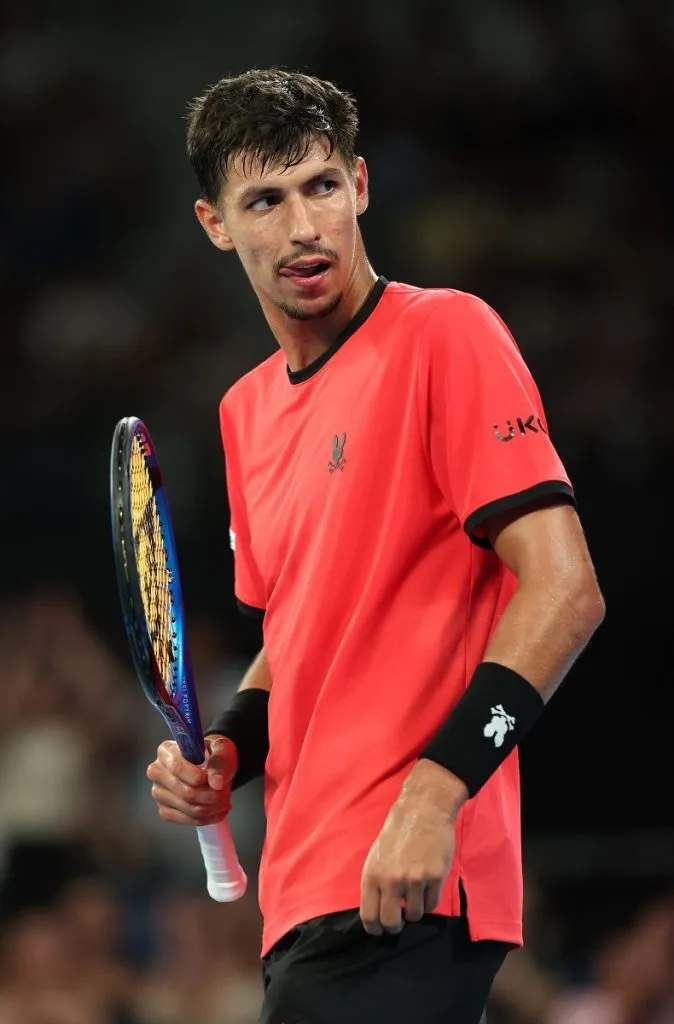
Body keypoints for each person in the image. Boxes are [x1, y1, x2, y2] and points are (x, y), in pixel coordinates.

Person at [146, 68, 605, 1024]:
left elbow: (566, 592)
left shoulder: (448, 333)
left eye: (320, 186)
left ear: (360, 185)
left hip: (412, 878)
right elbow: (299, 633)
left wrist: (438, 792)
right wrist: (229, 746)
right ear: (215, 224)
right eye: (265, 200)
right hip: (302, 893)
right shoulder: (243, 412)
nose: (303, 225)